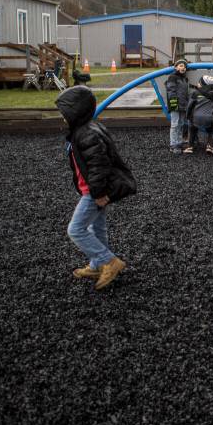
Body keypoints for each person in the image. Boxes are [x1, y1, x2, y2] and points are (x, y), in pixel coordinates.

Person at [55, 86, 137, 290]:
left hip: (94, 192)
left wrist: (99, 194)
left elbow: (99, 166)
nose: (62, 117)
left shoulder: (86, 134)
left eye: (64, 113)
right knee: (96, 228)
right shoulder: (84, 130)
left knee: (76, 230)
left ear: (75, 112)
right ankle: (97, 264)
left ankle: (109, 261)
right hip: (92, 190)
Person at [184, 74, 213, 155]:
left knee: (192, 129)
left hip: (196, 118)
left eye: (199, 82)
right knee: (211, 131)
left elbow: (190, 106)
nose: (198, 84)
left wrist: (187, 116)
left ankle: (190, 147)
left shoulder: (195, 93)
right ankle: (210, 147)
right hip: (208, 118)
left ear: (203, 84)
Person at [164, 59, 190, 154]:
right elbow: (171, 91)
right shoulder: (172, 77)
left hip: (183, 105)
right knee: (175, 124)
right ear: (176, 67)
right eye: (181, 66)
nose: (183, 68)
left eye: (184, 66)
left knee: (181, 124)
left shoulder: (184, 79)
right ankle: (173, 144)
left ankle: (179, 143)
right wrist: (174, 105)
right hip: (175, 105)